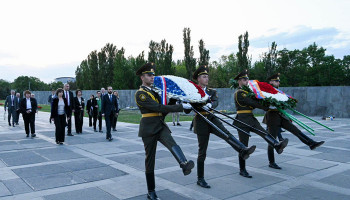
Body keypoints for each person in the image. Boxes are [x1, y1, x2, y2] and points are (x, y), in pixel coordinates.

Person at [135, 62, 194, 200]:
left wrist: (177, 99)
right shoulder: (141, 94)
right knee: (150, 160)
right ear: (142, 77)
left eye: (153, 75)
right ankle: (151, 191)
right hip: (148, 128)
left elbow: (165, 108)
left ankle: (184, 164)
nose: (152, 77)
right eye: (149, 75)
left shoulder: (155, 91)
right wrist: (180, 107)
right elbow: (158, 108)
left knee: (171, 142)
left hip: (160, 125)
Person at [192, 66, 256, 188]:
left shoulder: (211, 91)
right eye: (204, 77)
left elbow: (215, 101)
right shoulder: (192, 90)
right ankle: (200, 178)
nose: (207, 79)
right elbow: (189, 105)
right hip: (201, 120)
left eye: (207, 76)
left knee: (227, 134)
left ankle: (242, 149)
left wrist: (210, 104)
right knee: (202, 151)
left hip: (212, 117)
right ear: (198, 79)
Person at [233, 70, 289, 178]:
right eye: (244, 79)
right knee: (243, 146)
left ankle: (276, 145)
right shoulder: (239, 93)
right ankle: (242, 169)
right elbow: (252, 103)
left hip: (251, 119)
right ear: (239, 81)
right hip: (242, 120)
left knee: (265, 133)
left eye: (247, 79)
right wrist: (267, 107)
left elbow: (254, 102)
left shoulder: (248, 92)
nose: (247, 81)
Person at [265, 73, 325, 169]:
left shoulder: (278, 91)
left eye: (279, 81)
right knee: (272, 139)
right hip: (272, 116)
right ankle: (271, 162)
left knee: (295, 129)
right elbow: (265, 104)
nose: (278, 82)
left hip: (281, 115)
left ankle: (311, 143)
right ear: (271, 81)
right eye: (276, 81)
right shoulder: (266, 91)